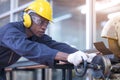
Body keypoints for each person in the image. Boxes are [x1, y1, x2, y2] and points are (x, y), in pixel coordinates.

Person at [0, 0, 97, 79]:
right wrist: (68, 57)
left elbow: (55, 45)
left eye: (46, 23)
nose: (43, 27)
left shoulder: (35, 35)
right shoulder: (10, 31)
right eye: (40, 21)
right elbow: (28, 48)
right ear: (28, 18)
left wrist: (84, 55)